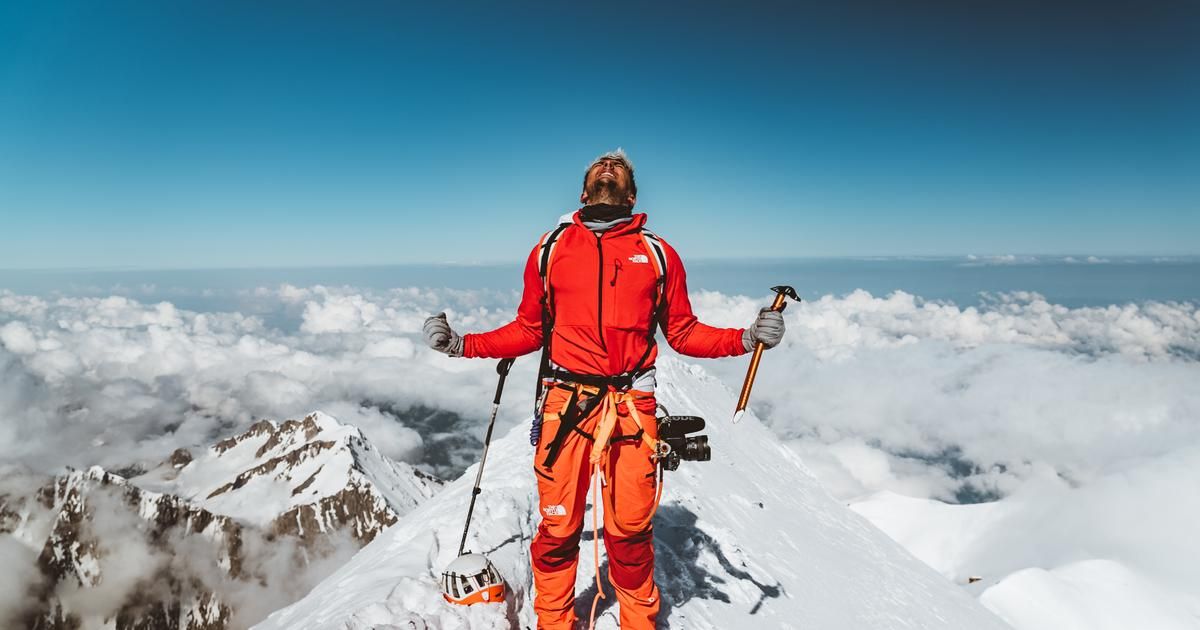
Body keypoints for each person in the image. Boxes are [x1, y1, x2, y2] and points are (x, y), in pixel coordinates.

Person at [424, 149, 784, 629]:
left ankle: (639, 621)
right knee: (558, 529)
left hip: (632, 404)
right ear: (584, 190)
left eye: (619, 169)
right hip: (564, 405)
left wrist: (744, 339)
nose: (609, 167)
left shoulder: (658, 254)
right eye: (600, 167)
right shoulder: (550, 250)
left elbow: (682, 331)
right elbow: (529, 329)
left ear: (631, 194)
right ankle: (554, 623)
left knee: (629, 532)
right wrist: (460, 345)